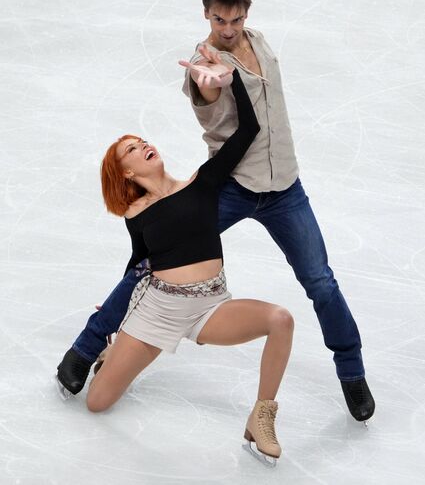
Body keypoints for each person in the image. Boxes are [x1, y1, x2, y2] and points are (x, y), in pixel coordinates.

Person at [57, 0, 374, 423]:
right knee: (154, 261)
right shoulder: (204, 60)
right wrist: (212, 81)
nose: (228, 29)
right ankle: (87, 347)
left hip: (286, 189)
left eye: (236, 19)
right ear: (206, 13)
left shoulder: (259, 42)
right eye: (219, 19)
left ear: (247, 12)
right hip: (232, 188)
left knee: (320, 280)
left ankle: (352, 371)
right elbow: (205, 88)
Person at [59, 66, 293, 465]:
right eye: (131, 150)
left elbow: (248, 131)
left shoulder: (202, 182)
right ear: (128, 172)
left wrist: (230, 77)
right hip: (156, 313)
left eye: (143, 141)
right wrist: (111, 319)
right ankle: (110, 354)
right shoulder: (136, 213)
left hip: (210, 307)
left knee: (281, 320)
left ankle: (262, 416)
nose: (143, 146)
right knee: (97, 403)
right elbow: (137, 266)